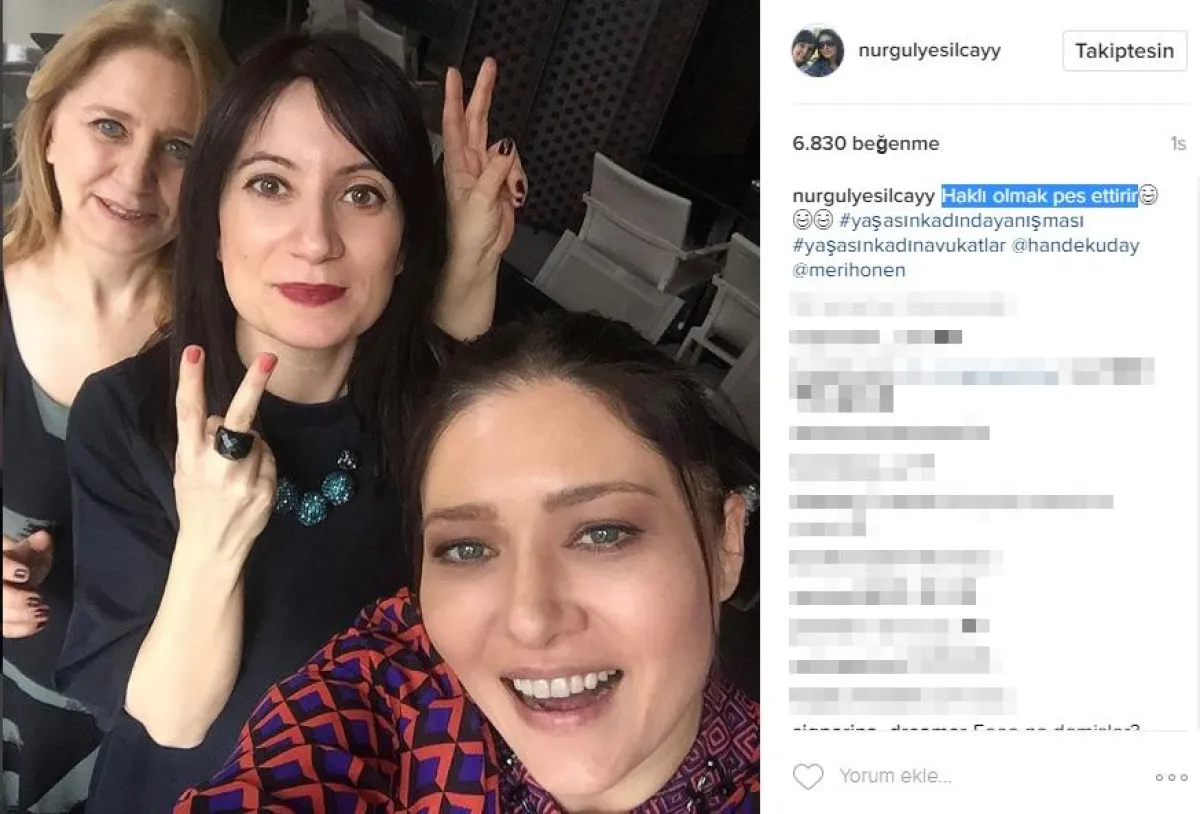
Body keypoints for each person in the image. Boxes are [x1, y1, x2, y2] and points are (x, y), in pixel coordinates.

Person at [54, 29, 527, 813]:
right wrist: (212, 538)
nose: (316, 241)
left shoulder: (429, 414)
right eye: (270, 184)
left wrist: (470, 259)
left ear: (404, 243)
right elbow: (170, 720)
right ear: (212, 221)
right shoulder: (127, 418)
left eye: (362, 194)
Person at [174, 311, 761, 813]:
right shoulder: (388, 687)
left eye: (601, 534)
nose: (530, 619)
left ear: (726, 543)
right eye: (468, 549)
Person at [2, 4, 231, 811]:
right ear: (48, 130)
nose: (135, 176)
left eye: (179, 148)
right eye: (109, 126)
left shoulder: (230, 340)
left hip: (156, 739)